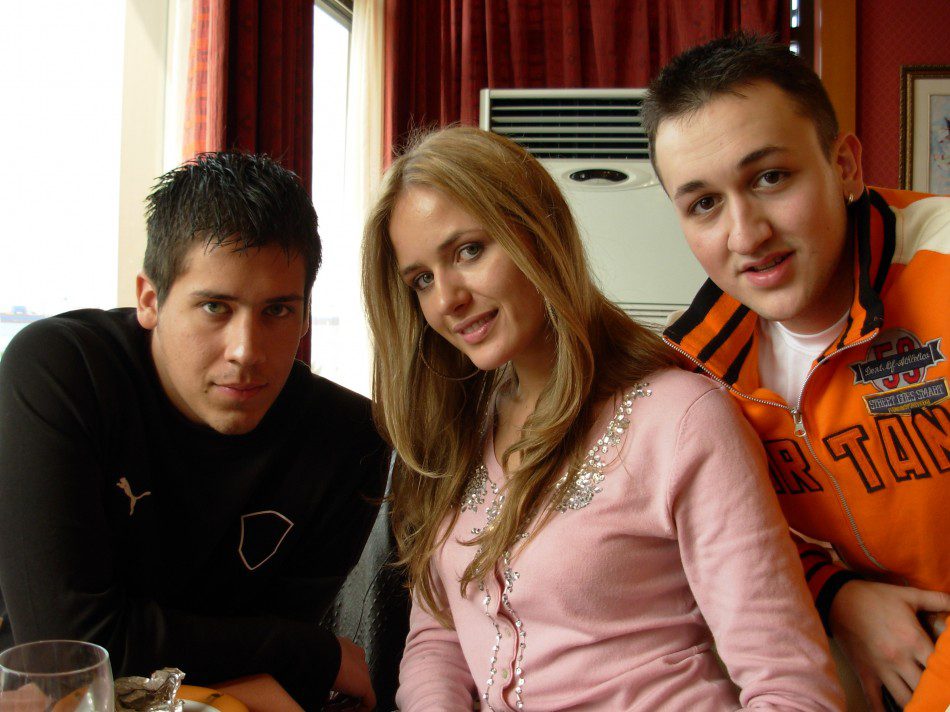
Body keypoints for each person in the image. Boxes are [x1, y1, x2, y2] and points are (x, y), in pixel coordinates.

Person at [361, 125, 844, 710]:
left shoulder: (682, 419)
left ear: (538, 232)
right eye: (421, 280)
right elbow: (438, 638)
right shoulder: (458, 430)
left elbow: (793, 690)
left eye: (469, 251)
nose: (447, 300)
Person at [0, 152, 389, 710]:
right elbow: (67, 653)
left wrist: (280, 659)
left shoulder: (350, 440)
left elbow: (274, 677)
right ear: (150, 300)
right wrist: (313, 652)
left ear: (306, 315)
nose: (246, 351)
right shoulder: (62, 372)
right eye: (214, 307)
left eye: (278, 311)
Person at [642, 32, 950, 711]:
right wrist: (836, 596)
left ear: (844, 166)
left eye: (770, 178)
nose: (746, 234)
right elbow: (730, 535)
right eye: (704, 203)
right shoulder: (693, 366)